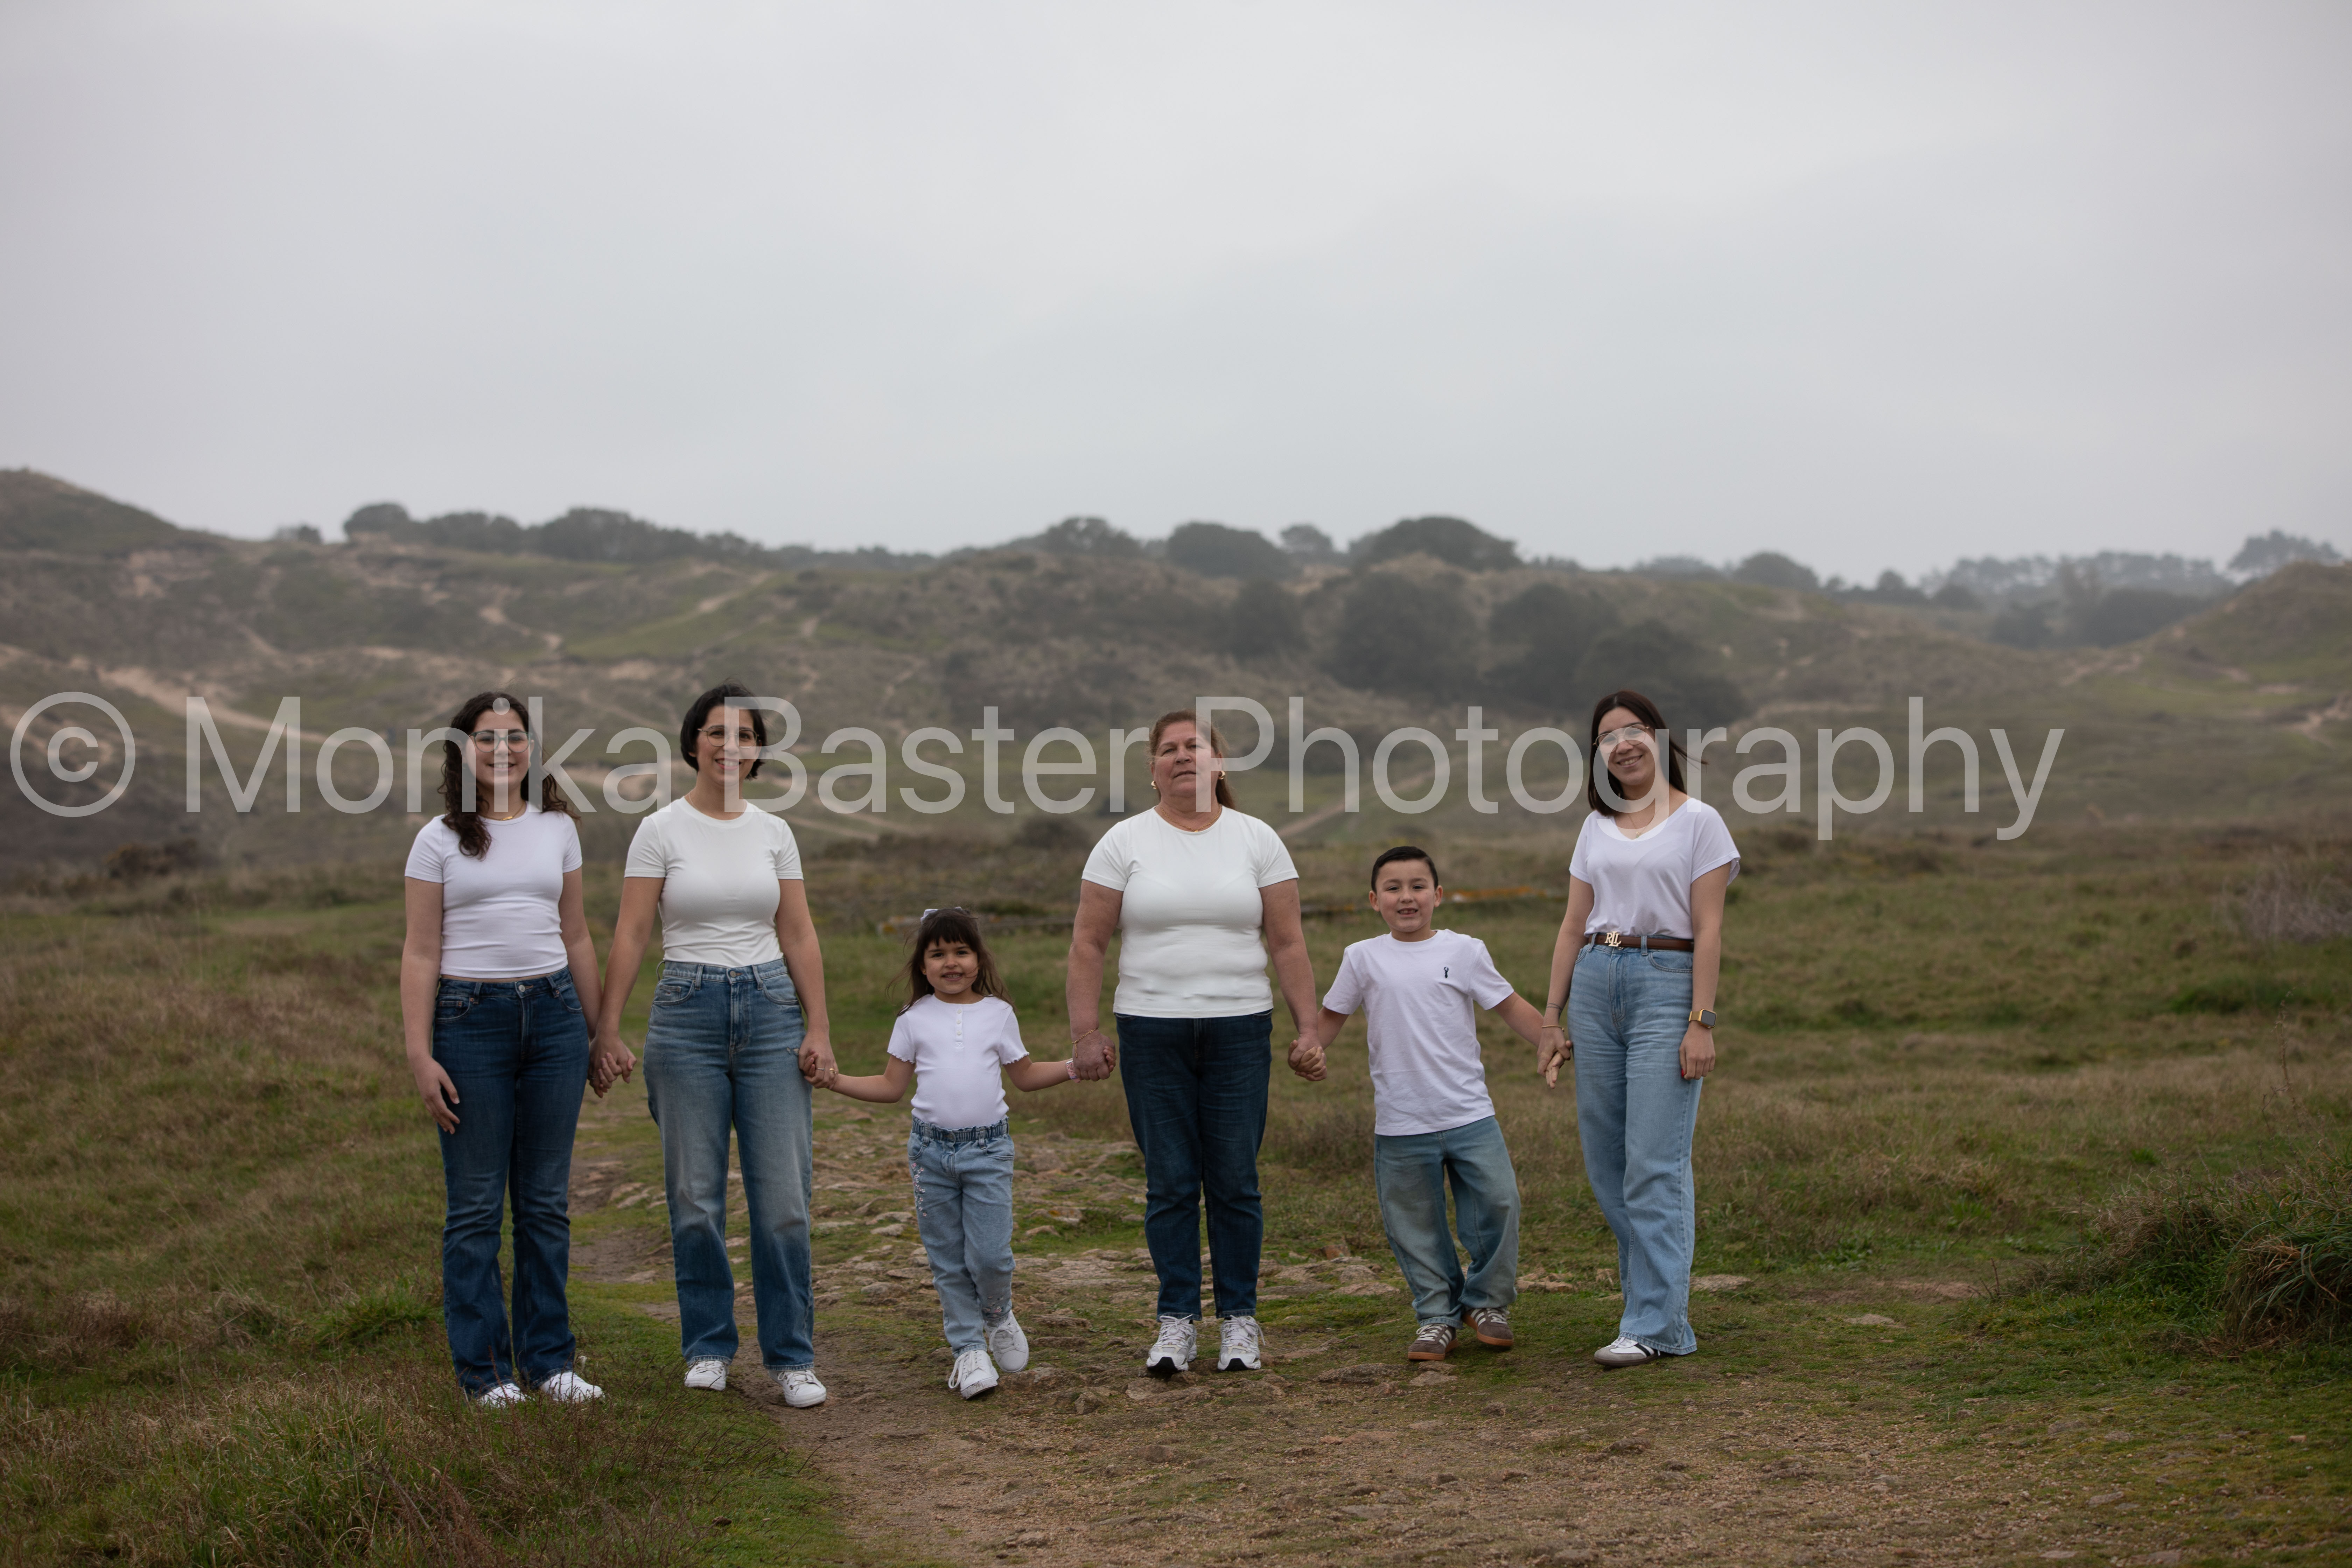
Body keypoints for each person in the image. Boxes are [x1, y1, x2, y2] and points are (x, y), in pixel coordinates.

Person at [591, 681, 838, 1408]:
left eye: (745, 734)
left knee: (784, 1200)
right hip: (685, 1011)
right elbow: (633, 932)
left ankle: (792, 1355)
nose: (731, 744)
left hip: (769, 1012)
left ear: (758, 749)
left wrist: (818, 1026)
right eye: (716, 731)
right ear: (693, 740)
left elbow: (798, 931)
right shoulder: (659, 829)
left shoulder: (774, 831)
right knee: (695, 1196)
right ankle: (708, 1345)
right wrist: (607, 1027)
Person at [1066, 709, 1322, 1378]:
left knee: (1235, 1179)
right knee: (1172, 1182)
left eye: (1196, 747)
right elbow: (1089, 943)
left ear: (1219, 764)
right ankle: (1177, 1320)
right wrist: (1085, 1032)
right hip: (1151, 1030)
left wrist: (1309, 1029)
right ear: (1152, 768)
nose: (1183, 757)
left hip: (1241, 1027)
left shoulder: (1257, 839)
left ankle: (1240, 1320)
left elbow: (1288, 942)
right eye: (1169, 750)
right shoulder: (1123, 842)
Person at [400, 691, 606, 1408]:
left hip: (552, 1018)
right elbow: (421, 951)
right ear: (463, 752)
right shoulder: (436, 840)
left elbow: (576, 933)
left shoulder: (558, 827)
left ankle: (551, 1362)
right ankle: (485, 1372)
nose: (504, 749)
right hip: (469, 1019)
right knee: (478, 1206)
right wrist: (421, 1055)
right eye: (487, 738)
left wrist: (599, 1028)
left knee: (546, 1203)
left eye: (516, 736)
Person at [1536, 688, 1738, 1368]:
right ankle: (1657, 1311)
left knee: (1654, 1162)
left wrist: (1701, 1021)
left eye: (1633, 729)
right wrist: (1551, 1015)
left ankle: (1656, 1322)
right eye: (1607, 735)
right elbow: (1572, 923)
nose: (1622, 742)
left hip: (1666, 982)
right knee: (1609, 1164)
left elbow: (1709, 927)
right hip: (1596, 981)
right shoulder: (1594, 827)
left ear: (1658, 737)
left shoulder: (1700, 821)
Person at [820, 908, 1080, 1399]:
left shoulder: (999, 1013)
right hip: (930, 1155)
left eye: (962, 952)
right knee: (947, 1260)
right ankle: (968, 1351)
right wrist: (834, 1081)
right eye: (938, 954)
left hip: (989, 1151)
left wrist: (1074, 1067)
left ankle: (998, 1315)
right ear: (923, 965)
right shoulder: (912, 1020)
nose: (951, 963)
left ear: (979, 960)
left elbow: (1023, 1076)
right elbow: (890, 1086)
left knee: (990, 1256)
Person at [1313, 845, 1546, 1363]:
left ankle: (1486, 1304)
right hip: (1401, 1122)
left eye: (1418, 886)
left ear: (1438, 895)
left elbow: (1509, 1005)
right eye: (1393, 889)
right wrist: (1308, 1049)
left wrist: (1550, 1039)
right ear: (1374, 901)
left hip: (1469, 1113)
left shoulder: (1465, 950)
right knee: (1414, 1225)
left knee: (1499, 1204)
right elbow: (1331, 1018)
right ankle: (1437, 1316)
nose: (1407, 897)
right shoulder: (1362, 957)